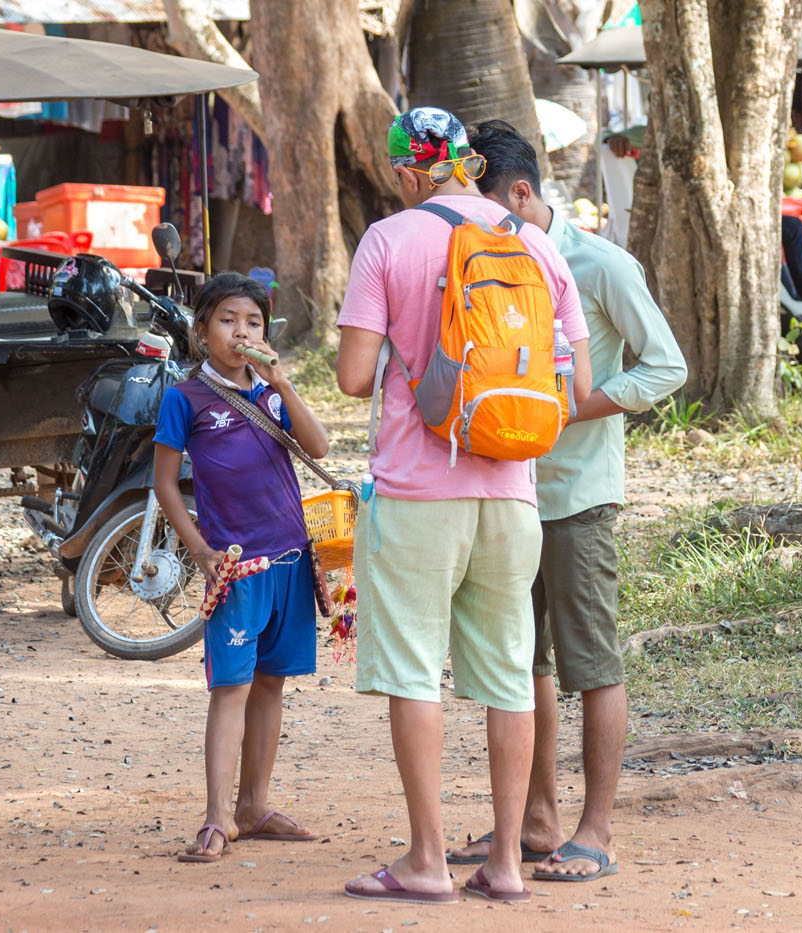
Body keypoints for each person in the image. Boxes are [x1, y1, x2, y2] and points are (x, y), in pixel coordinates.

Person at [336, 106, 591, 904]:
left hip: (418, 492)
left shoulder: (389, 239)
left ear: (408, 172)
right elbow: (577, 384)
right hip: (513, 492)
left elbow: (353, 376)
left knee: (414, 671)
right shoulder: (534, 243)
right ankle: (507, 862)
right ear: (468, 163)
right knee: (510, 676)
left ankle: (426, 860)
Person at [448, 119, 686, 882]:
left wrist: (572, 410)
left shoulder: (600, 264)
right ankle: (535, 819)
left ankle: (597, 831)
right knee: (522, 664)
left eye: (487, 209)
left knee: (592, 663)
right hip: (506, 493)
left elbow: (666, 366)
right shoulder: (479, 261)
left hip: (578, 498)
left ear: (521, 193)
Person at [152, 272, 330, 862]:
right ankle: (217, 816)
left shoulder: (272, 394)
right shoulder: (185, 398)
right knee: (232, 686)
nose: (241, 332)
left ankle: (254, 806)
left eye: (253, 322)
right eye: (227, 320)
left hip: (291, 558)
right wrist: (199, 549)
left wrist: (282, 382)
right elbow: (165, 484)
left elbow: (319, 446)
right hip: (235, 566)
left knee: (272, 682)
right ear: (202, 330)